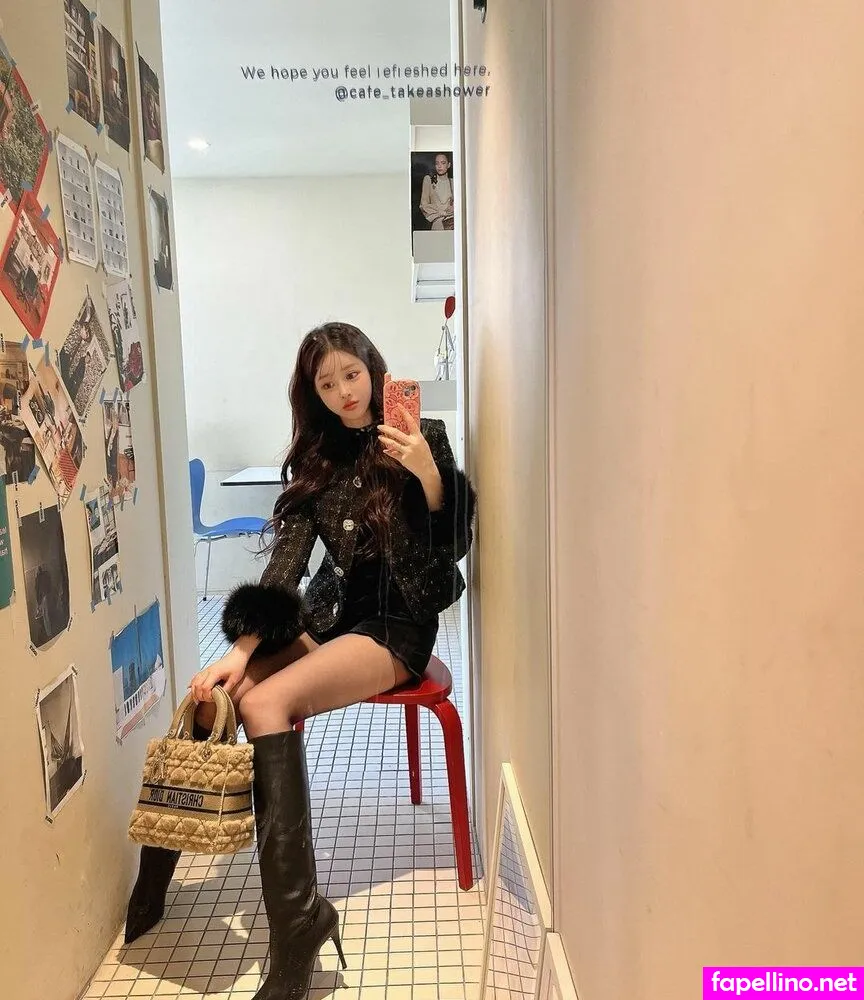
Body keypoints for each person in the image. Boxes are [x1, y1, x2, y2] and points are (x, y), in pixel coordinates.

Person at [124, 322, 476, 996]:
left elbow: (453, 544)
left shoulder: (421, 436)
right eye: (327, 383)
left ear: (373, 370)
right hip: (335, 618)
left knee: (264, 703)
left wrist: (429, 476)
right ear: (313, 393)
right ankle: (157, 874)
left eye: (352, 374)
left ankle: (297, 926)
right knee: (214, 694)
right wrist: (241, 648)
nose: (345, 392)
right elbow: (286, 565)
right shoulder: (316, 463)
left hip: (398, 626)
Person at [420, 152, 455, 230]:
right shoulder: (428, 180)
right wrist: (442, 212)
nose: (439, 166)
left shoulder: (453, 182)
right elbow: (424, 205)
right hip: (437, 223)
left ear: (448, 165)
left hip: (451, 224)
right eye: (437, 163)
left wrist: (455, 208)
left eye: (443, 163)